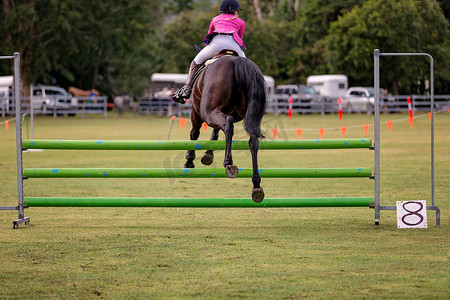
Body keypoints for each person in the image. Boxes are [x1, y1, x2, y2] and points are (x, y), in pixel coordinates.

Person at [172, 0, 246, 103]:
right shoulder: (241, 22)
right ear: (235, 11)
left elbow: (210, 35)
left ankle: (187, 88)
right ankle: (248, 92)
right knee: (247, 67)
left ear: (221, 10)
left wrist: (208, 49)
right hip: (234, 45)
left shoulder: (215, 19)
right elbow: (240, 38)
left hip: (216, 43)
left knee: (195, 61)